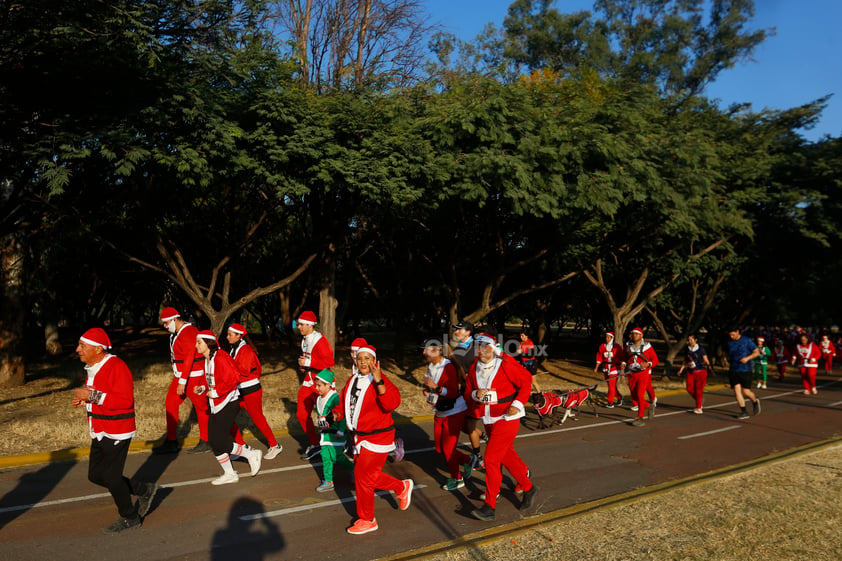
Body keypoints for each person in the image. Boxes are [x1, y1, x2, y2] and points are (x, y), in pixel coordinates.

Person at [72, 328, 158, 533]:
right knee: (95, 475)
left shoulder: (117, 367)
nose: (77, 350)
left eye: (82, 346)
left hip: (117, 430)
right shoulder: (93, 367)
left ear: (98, 349)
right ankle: (143, 489)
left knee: (111, 477)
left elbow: (125, 401)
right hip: (100, 429)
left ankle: (130, 517)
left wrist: (91, 397)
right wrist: (84, 399)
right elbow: (98, 395)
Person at [339, 345, 413, 535]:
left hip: (379, 436)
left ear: (375, 362)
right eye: (360, 358)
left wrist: (379, 381)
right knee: (367, 476)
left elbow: (391, 404)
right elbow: (346, 405)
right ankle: (401, 486)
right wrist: (333, 415)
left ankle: (367, 519)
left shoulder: (381, 380)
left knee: (363, 476)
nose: (363, 362)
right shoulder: (353, 379)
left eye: (367, 358)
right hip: (358, 437)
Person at [465, 331, 538, 521]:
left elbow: (526, 382)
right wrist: (475, 394)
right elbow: (468, 391)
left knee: (490, 459)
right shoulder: (474, 368)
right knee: (506, 456)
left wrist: (517, 404)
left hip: (508, 417)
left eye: (485, 346)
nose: (481, 350)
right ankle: (529, 488)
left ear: (492, 347)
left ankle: (489, 506)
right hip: (489, 418)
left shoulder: (505, 364)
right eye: (478, 347)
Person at [195, 330, 262, 485]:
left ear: (208, 343)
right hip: (216, 403)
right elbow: (214, 379)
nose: (196, 345)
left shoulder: (220, 357)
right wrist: (203, 388)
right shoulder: (208, 358)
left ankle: (250, 454)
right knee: (213, 441)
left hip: (228, 402)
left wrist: (217, 392)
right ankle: (230, 473)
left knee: (218, 441)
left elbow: (234, 378)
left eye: (199, 342)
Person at [154, 307, 211, 455]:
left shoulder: (189, 332)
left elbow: (189, 358)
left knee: (201, 407)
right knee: (170, 403)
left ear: (175, 319)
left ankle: (206, 441)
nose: (165, 326)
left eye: (166, 323)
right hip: (183, 375)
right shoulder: (177, 333)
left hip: (194, 375)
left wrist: (182, 381)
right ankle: (172, 441)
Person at [421, 338, 471, 491]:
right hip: (440, 410)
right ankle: (468, 459)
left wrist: (435, 388)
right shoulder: (431, 366)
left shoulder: (448, 368)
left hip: (454, 410)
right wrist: (428, 391)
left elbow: (452, 393)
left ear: (438, 351)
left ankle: (457, 478)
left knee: (448, 449)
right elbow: (433, 389)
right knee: (439, 448)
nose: (423, 352)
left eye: (426, 349)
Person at [226, 323, 282, 460]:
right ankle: (241, 447)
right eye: (227, 334)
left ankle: (275, 445)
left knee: (258, 419)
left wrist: (227, 365)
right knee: (227, 418)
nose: (227, 337)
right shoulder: (235, 349)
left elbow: (244, 370)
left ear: (239, 336)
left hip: (251, 390)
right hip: (239, 390)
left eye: (230, 335)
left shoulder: (246, 350)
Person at [296, 311, 335, 461]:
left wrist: (308, 363)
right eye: (299, 324)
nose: (298, 327)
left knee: (327, 417)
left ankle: (339, 441)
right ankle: (315, 444)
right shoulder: (304, 340)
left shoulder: (320, 341)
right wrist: (304, 367)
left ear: (309, 325)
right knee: (301, 414)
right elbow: (310, 360)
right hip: (309, 380)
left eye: (301, 324)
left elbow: (329, 362)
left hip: (322, 382)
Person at [449, 321, 484, 472]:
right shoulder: (457, 348)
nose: (456, 332)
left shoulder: (478, 347)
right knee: (464, 426)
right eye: (456, 329)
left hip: (476, 392)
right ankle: (482, 434)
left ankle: (478, 458)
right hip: (463, 391)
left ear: (468, 332)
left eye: (460, 330)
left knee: (469, 427)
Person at [313, 369, 354, 492]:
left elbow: (342, 415)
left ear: (328, 385)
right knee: (325, 456)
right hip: (325, 434)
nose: (317, 388)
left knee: (337, 457)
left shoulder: (335, 399)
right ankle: (328, 481)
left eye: (320, 385)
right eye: (316, 385)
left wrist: (341, 430)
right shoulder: (319, 398)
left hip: (336, 434)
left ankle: (353, 468)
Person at [620, 327, 659, 427]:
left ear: (641, 336)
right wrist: (623, 363)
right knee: (635, 397)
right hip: (631, 373)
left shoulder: (647, 346)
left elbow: (655, 360)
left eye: (637, 334)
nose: (634, 335)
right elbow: (624, 357)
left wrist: (648, 364)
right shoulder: (628, 345)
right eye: (633, 334)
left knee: (640, 395)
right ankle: (648, 406)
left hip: (643, 373)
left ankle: (640, 418)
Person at [725, 327, 761, 419]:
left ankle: (754, 401)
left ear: (737, 331)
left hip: (746, 369)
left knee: (746, 391)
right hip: (734, 369)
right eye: (730, 335)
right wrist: (726, 359)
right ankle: (744, 412)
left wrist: (747, 358)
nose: (732, 337)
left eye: (733, 334)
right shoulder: (729, 342)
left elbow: (756, 352)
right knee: (737, 391)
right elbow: (727, 353)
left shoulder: (747, 341)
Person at [675, 334, 711, 414]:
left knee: (698, 390)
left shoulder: (701, 349)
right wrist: (681, 369)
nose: (689, 341)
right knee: (689, 388)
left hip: (700, 371)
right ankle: (700, 400)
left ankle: (699, 408)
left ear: (696, 340)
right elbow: (685, 360)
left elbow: (705, 359)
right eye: (688, 340)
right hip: (690, 372)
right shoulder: (687, 349)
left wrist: (709, 366)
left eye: (691, 340)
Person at [594, 331, 624, 408]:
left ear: (612, 338)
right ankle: (620, 397)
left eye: (608, 337)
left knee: (611, 385)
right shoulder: (602, 346)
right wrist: (596, 367)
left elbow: (622, 356)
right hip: (606, 368)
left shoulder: (617, 346)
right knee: (611, 385)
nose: (606, 339)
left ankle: (610, 402)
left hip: (615, 368)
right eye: (606, 337)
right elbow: (599, 356)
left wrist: (623, 364)